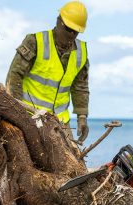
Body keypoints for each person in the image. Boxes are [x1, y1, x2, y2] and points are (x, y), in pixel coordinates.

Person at [6, 1, 89, 144]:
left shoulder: (81, 53)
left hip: (60, 120)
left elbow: (80, 87)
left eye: (75, 32)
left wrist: (82, 117)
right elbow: (14, 76)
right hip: (29, 115)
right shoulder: (35, 42)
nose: (71, 34)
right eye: (69, 29)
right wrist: (16, 113)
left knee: (73, 160)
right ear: (59, 21)